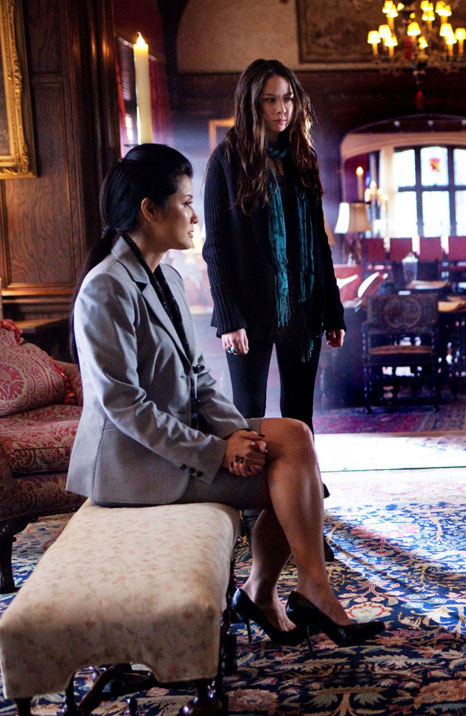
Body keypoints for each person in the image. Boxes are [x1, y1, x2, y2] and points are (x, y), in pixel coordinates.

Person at [68, 144, 384, 649]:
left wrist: (238, 434)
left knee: (295, 438)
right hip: (134, 463)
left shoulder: (166, 276)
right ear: (150, 210)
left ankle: (284, 590)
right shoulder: (106, 287)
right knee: (294, 475)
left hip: (175, 439)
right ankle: (288, 592)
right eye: (186, 203)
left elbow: (199, 377)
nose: (195, 216)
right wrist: (218, 451)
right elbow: (123, 405)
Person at [203, 59, 345, 432]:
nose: (282, 109)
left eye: (288, 98)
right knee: (248, 410)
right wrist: (229, 319)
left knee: (299, 410)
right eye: (270, 100)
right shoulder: (226, 160)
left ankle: (301, 468)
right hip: (249, 309)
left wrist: (333, 311)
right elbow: (215, 248)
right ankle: (254, 472)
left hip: (304, 305)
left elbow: (319, 243)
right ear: (252, 104)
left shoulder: (303, 158)